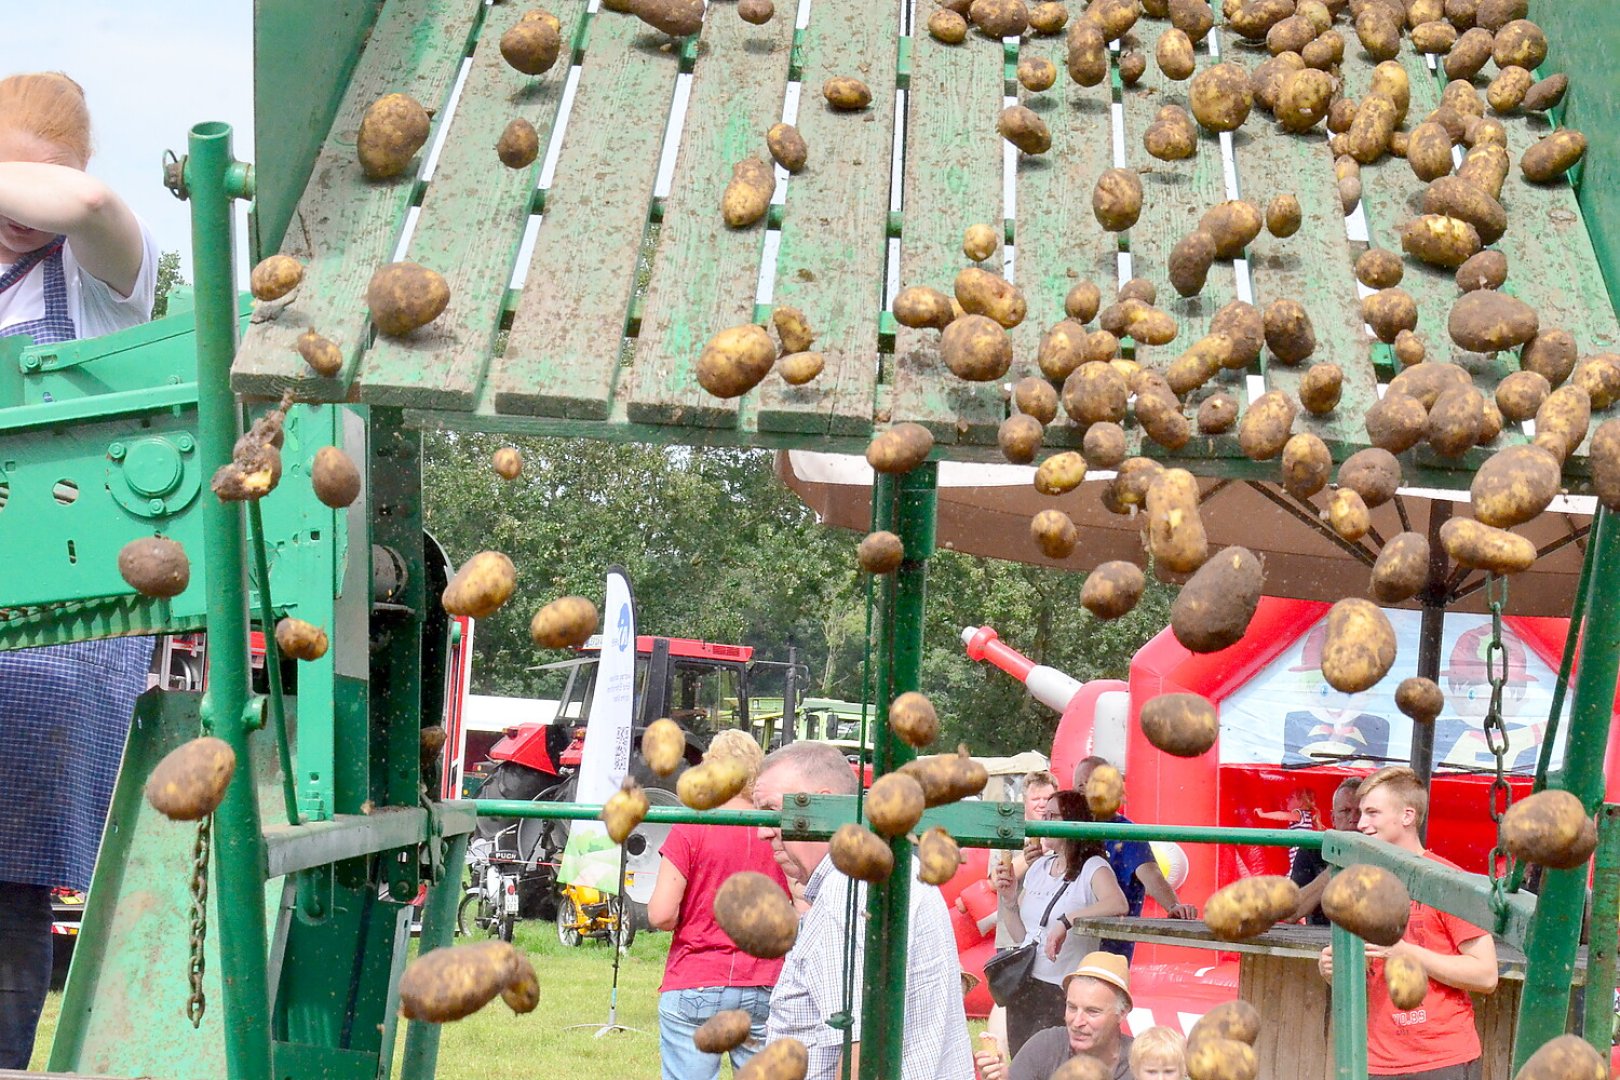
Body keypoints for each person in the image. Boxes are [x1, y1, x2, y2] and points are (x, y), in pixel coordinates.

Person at [0, 71, 158, 1069]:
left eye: (32, 177)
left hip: (46, 641)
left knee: (6, 885)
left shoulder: (106, 277)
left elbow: (90, 204)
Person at [753, 741, 974, 1080]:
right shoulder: (891, 874)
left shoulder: (848, 892)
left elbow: (860, 1050)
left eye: (772, 811)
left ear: (821, 803)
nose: (762, 832)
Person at [1317, 767, 1498, 1080]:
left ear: (1407, 816)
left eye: (1372, 813)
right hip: (1371, 1061)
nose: (1361, 824)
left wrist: (1404, 953)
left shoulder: (1447, 881)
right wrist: (1335, 969)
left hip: (1440, 1062)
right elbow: (1365, 975)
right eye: (1361, 814)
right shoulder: (1359, 884)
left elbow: (1486, 975)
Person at [648, 730, 788, 1079]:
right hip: (765, 982)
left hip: (693, 979)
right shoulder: (775, 830)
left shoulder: (691, 827)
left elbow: (661, 913)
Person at [992, 790, 1128, 1056]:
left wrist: (1067, 921)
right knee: (1024, 1063)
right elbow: (1023, 935)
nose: (1045, 822)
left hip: (1063, 991)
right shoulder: (1040, 867)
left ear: (1072, 822)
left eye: (1053, 816)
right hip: (1025, 984)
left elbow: (1118, 904)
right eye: (1044, 816)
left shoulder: (1094, 867)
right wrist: (1008, 899)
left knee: (1060, 1066)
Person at [1071, 756, 1196, 960]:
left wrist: (1173, 906)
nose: (1084, 791)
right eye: (1080, 786)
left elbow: (1151, 874)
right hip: (1067, 944)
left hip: (1107, 949)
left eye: (1093, 784)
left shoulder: (1126, 834)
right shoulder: (1068, 831)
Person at [975, 951, 1138, 1080]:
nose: (1077, 1022)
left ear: (1122, 1013)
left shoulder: (1143, 1062)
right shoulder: (1045, 1047)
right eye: (1072, 1008)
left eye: (1092, 1011)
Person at [1290, 776, 1363, 924]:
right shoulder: (1313, 849)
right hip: (1319, 942)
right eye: (1345, 811)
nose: (1354, 818)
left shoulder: (1385, 851)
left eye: (1361, 811)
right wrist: (1333, 871)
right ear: (1333, 818)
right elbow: (1291, 912)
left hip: (1372, 944)